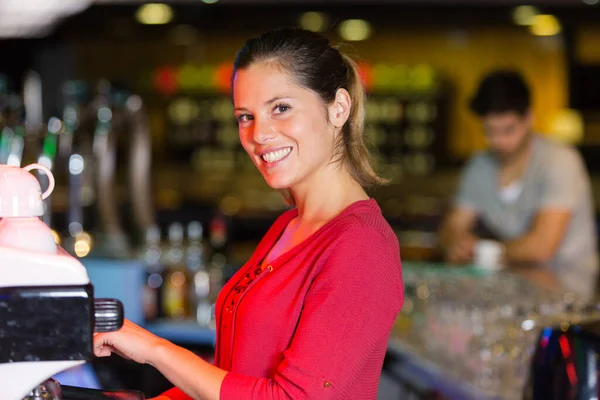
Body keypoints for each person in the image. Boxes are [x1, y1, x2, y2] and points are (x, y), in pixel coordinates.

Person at [93, 27, 404, 400]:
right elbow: (235, 378)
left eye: (281, 108)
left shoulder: (361, 246)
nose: (259, 134)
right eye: (245, 116)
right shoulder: (288, 226)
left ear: (338, 107)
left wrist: (156, 350)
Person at [439, 69, 598, 300]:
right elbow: (453, 225)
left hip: (571, 296)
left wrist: (485, 251)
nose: (499, 141)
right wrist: (454, 242)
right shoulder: (479, 166)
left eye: (508, 130)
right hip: (516, 294)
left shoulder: (559, 161)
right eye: (490, 131)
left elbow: (543, 246)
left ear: (529, 118)